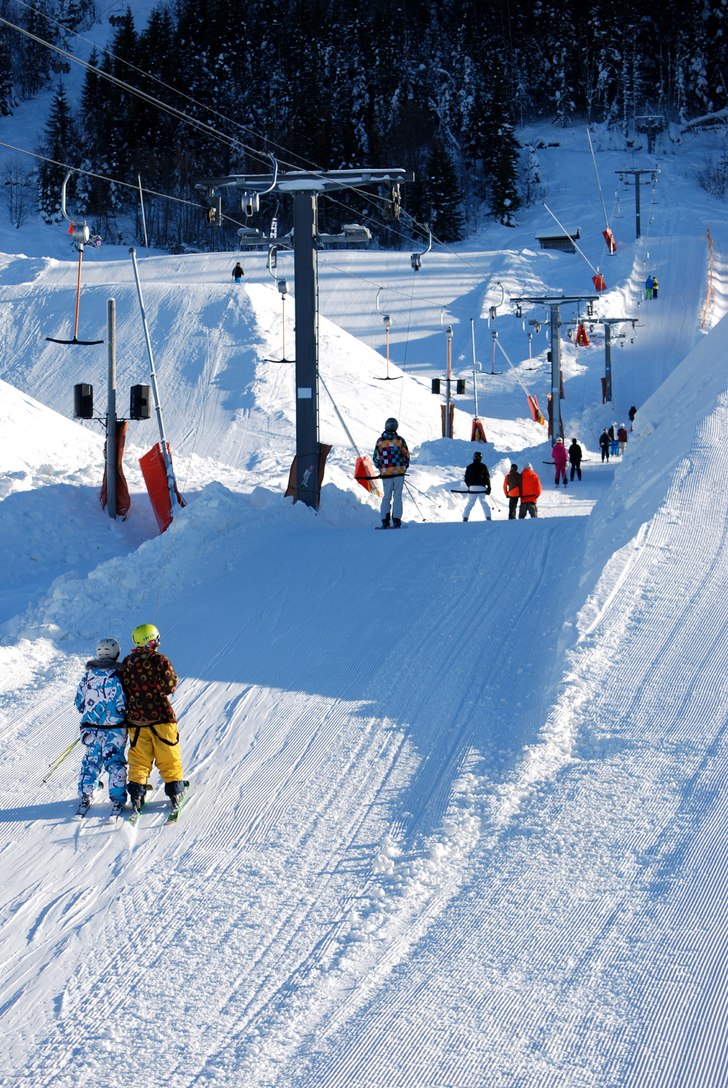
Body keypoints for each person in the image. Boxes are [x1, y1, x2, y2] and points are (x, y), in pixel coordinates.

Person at [121, 623, 187, 815]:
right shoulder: (159, 659)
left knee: (139, 758)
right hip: (161, 716)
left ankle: (136, 793)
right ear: (151, 640)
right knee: (168, 754)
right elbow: (170, 686)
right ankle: (175, 791)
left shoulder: (127, 662)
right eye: (156, 638)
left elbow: (124, 687)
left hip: (136, 719)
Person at [74, 638, 128, 816]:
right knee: (114, 762)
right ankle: (117, 798)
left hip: (91, 728)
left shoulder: (88, 676)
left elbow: (79, 702)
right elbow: (127, 699)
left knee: (91, 760)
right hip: (115, 727)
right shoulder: (120, 675)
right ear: (116, 654)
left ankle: (86, 793)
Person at [373, 417, 410, 528]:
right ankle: (397, 520)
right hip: (399, 473)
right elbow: (406, 455)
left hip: (386, 474)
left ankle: (385, 520)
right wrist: (404, 467)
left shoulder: (380, 441)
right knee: (397, 496)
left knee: (387, 496)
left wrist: (381, 468)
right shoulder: (400, 440)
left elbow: (376, 458)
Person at [462, 451, 492, 521]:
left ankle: (465, 517)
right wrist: (489, 487)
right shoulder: (483, 466)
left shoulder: (469, 467)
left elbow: (466, 478)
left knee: (470, 503)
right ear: (481, 458)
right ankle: (488, 517)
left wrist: (469, 485)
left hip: (472, 487)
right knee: (484, 502)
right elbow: (487, 478)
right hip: (481, 487)